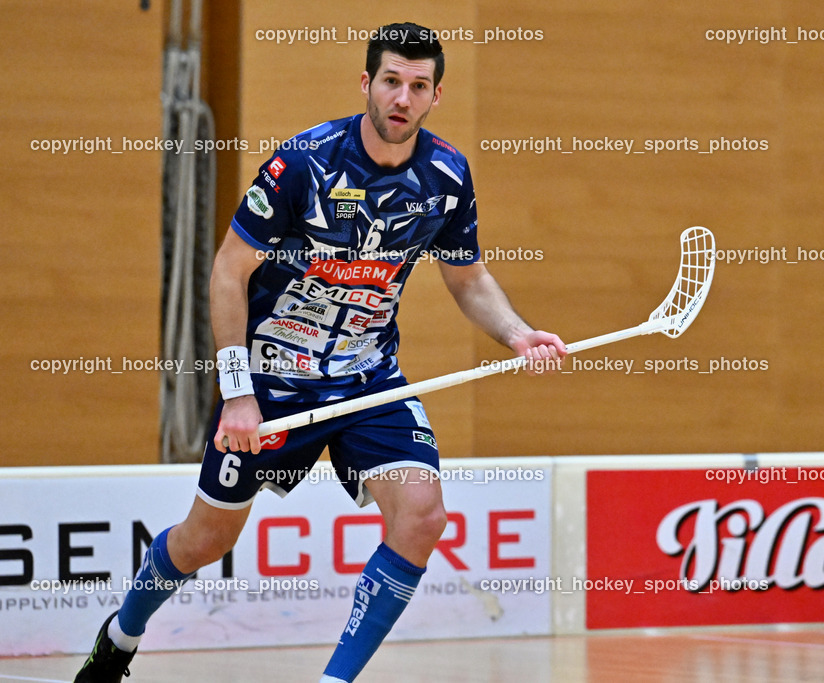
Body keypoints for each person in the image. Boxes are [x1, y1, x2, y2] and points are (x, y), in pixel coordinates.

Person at [74, 22, 566, 683]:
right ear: (367, 83)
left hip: (368, 380)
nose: (403, 97)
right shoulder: (304, 163)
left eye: (419, 86)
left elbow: (467, 275)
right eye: (391, 80)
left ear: (435, 96)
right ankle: (120, 635)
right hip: (272, 382)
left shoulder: (446, 176)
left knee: (422, 514)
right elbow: (229, 269)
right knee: (205, 538)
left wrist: (517, 332)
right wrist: (238, 391)